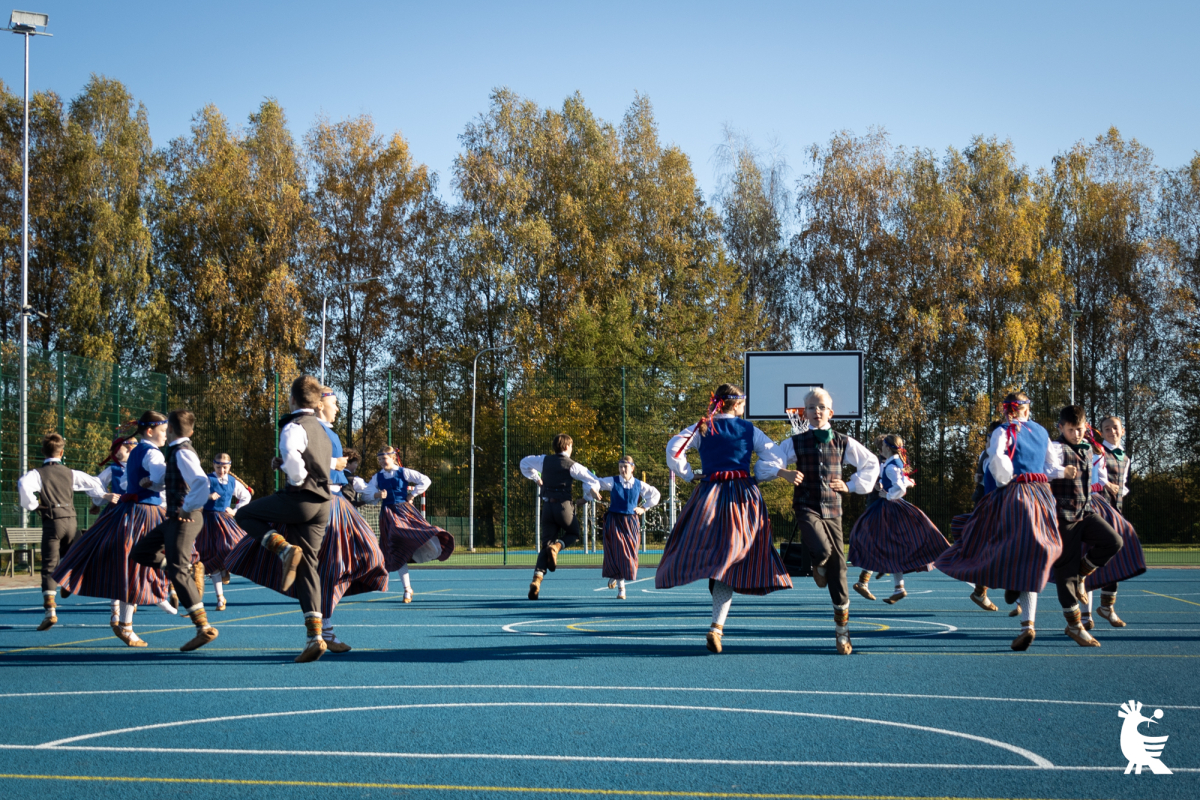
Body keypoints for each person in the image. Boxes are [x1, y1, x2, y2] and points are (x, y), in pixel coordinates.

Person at [661, 383, 791, 654]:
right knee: (731, 559)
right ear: (738, 405)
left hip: (708, 496)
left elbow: (674, 449)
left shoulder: (703, 427)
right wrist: (757, 471)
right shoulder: (748, 430)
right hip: (742, 498)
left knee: (708, 551)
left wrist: (688, 473)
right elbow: (776, 457)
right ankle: (716, 625)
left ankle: (716, 621)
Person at [934, 392, 1061, 651]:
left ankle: (1007, 589)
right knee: (1035, 553)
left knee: (992, 545)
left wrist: (1008, 481)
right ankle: (1027, 624)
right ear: (1027, 409)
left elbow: (1000, 462)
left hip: (1014, 495)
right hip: (1041, 496)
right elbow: (1051, 466)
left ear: (1008, 410)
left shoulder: (1003, 432)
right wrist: (1053, 475)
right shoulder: (1040, 431)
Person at [756, 388, 878, 655]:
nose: (816, 411)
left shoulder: (844, 442)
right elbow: (767, 462)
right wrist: (783, 473)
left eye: (821, 407)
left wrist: (849, 485)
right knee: (822, 551)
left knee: (840, 570)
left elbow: (871, 464)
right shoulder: (794, 443)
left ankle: (842, 632)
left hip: (834, 509)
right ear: (805, 413)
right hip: (806, 505)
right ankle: (817, 563)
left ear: (830, 412)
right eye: (811, 407)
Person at [228, 376, 333, 663]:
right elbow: (312, 459)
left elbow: (294, 457)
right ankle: (315, 636)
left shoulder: (293, 426)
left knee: (245, 513)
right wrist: (285, 464)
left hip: (301, 498)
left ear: (292, 399)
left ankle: (284, 549)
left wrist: (294, 476)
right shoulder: (322, 430)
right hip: (323, 504)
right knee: (308, 568)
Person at [53, 411, 177, 647]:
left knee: (134, 563)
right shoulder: (152, 453)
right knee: (139, 565)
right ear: (150, 431)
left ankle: (155, 597)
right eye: (163, 431)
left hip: (133, 511)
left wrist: (151, 482)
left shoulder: (137, 452)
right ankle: (133, 618)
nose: (166, 435)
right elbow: (161, 477)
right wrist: (159, 481)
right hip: (144, 513)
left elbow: (133, 483)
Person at [130, 410, 220, 652]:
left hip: (185, 519)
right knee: (140, 553)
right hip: (174, 518)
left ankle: (204, 628)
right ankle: (180, 567)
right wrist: (155, 483)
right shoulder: (176, 452)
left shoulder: (181, 452)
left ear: (168, 429)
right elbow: (179, 480)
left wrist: (188, 509)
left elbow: (201, 482)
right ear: (190, 431)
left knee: (178, 570)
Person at [1045, 405, 1124, 647]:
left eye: (1080, 430)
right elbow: (1043, 471)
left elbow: (1094, 479)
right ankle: (1074, 625)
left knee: (1114, 541)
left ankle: (1083, 572)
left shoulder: (1089, 449)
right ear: (1061, 428)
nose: (1076, 434)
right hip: (1062, 516)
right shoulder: (1055, 448)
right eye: (1071, 430)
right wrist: (1061, 471)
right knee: (1064, 571)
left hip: (1085, 511)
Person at [17, 433, 111, 630]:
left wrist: (34, 505)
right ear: (62, 452)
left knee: (49, 565)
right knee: (73, 556)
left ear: (43, 452)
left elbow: (23, 487)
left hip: (53, 522)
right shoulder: (71, 473)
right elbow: (94, 483)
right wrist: (101, 498)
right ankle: (68, 583)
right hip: (71, 520)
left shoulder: (36, 474)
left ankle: (50, 611)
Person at [848, 435, 949, 604]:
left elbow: (900, 487)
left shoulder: (891, 464)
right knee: (893, 548)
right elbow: (902, 481)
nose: (880, 448)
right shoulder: (892, 462)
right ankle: (898, 588)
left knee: (874, 541)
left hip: (889, 509)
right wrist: (886, 487)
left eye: (882, 446)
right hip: (889, 507)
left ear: (887, 448)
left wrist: (888, 495)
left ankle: (867, 581)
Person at [357, 445, 450, 603]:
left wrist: (412, 494)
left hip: (404, 511)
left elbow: (425, 480)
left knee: (417, 536)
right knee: (396, 550)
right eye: (379, 459)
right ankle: (407, 589)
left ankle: (430, 546)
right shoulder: (377, 477)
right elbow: (368, 495)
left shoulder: (403, 472)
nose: (381, 462)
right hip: (387, 514)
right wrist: (377, 494)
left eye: (384, 458)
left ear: (393, 458)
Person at [520, 434, 602, 600]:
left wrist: (537, 479)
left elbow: (524, 462)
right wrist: (586, 498)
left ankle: (537, 580)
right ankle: (557, 548)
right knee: (573, 533)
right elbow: (593, 480)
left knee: (545, 544)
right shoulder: (572, 465)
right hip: (564, 506)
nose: (572, 449)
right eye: (571, 446)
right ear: (566, 447)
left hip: (547, 507)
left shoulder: (544, 460)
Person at [1082, 415, 1146, 628]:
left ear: (1123, 430)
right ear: (1101, 432)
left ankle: (1107, 607)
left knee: (1115, 560)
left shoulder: (1125, 458)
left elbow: (1124, 484)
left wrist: (1120, 492)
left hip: (1115, 511)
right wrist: (1105, 484)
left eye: (1115, 428)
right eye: (1107, 428)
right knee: (1089, 559)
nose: (1112, 431)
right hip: (1095, 511)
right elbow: (1090, 478)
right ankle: (1085, 616)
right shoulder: (1096, 451)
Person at [593, 456, 661, 599]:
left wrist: (644, 508)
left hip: (631, 521)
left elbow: (655, 495)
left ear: (632, 468)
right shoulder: (613, 481)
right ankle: (621, 588)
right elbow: (595, 483)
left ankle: (615, 576)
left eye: (625, 467)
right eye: (620, 467)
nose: (623, 470)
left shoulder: (639, 484)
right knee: (619, 551)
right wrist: (593, 490)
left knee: (630, 553)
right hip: (615, 521)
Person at [198, 454, 251, 612]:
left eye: (224, 467)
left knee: (233, 545)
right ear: (213, 466)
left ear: (229, 466)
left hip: (224, 519)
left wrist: (234, 511)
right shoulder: (207, 480)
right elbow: (193, 495)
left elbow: (246, 496)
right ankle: (220, 598)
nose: (221, 470)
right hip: (207, 520)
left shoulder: (233, 482)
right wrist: (207, 496)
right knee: (210, 555)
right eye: (218, 467)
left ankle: (225, 567)